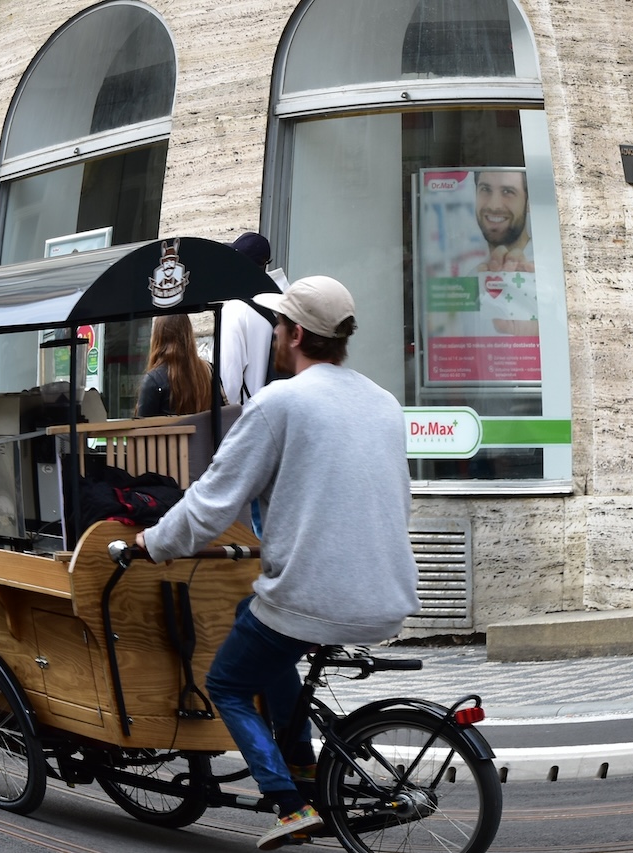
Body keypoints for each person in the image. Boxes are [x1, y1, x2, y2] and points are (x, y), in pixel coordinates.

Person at [135, 275, 419, 850]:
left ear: (292, 334)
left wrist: (152, 544)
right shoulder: (383, 401)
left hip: (311, 599)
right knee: (260, 628)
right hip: (388, 594)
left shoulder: (280, 402)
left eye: (277, 326)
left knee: (228, 681)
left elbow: (212, 504)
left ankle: (289, 805)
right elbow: (399, 499)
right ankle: (306, 763)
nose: (272, 336)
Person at [218, 232, 281, 404]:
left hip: (250, 419)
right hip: (278, 416)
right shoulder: (278, 308)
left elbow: (229, 381)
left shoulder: (235, 309)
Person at [134, 313, 219, 417]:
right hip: (205, 433)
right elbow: (221, 416)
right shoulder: (209, 371)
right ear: (188, 335)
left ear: (157, 337)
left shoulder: (154, 380)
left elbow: (141, 429)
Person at [473, 169, 534, 273]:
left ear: (529, 202)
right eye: (485, 189)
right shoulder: (475, 275)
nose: (494, 206)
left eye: (507, 191)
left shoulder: (544, 270)